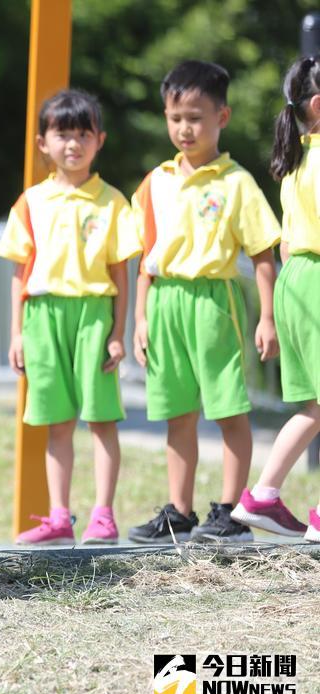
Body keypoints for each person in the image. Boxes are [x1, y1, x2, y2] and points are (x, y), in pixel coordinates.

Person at [128, 61, 281, 544]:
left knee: (229, 408)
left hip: (215, 303)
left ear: (223, 116)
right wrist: (140, 318)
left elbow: (262, 255)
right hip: (165, 301)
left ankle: (234, 511)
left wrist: (269, 318)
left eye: (196, 117)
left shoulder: (236, 182)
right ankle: (179, 509)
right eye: (175, 117)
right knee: (177, 412)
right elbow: (145, 260)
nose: (184, 128)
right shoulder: (156, 182)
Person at [0, 90, 141, 546]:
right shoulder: (31, 202)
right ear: (43, 142)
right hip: (42, 316)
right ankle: (59, 516)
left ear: (100, 140)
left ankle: (103, 514)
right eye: (63, 134)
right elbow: (21, 273)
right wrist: (17, 333)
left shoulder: (113, 201)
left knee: (101, 419)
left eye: (83, 134)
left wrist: (118, 333)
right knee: (57, 422)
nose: (72, 144)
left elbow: (121, 273)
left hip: (94, 314)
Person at [231, 57, 320, 540]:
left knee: (312, 406)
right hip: (316, 279)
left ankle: (263, 495)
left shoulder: (296, 161)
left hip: (296, 279)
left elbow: (287, 241)